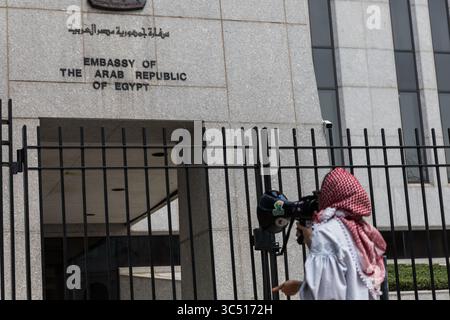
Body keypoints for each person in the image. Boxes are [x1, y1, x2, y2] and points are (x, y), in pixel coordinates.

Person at [272, 167, 387, 300]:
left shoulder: (326, 233)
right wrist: (301, 286)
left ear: (329, 195)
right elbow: (349, 284)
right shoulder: (361, 232)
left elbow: (326, 294)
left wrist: (317, 243)